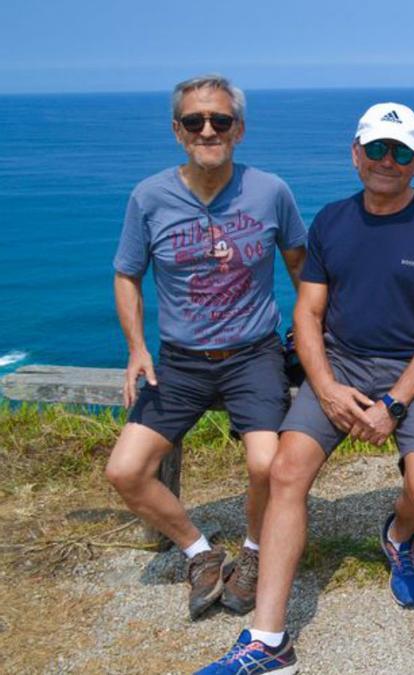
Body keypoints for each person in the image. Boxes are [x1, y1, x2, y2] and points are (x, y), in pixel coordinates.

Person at [199, 102, 414, 673]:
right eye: (376, 148)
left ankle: (397, 534)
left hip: (412, 370)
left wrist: (393, 404)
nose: (386, 161)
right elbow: (307, 314)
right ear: (355, 153)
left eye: (400, 151)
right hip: (339, 364)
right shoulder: (331, 221)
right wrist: (324, 388)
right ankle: (268, 640)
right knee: (284, 472)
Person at [106, 74, 306, 621]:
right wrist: (135, 347)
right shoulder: (149, 197)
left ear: (239, 129)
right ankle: (199, 550)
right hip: (179, 361)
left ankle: (254, 553)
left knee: (267, 465)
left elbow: (301, 267)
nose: (208, 130)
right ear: (178, 131)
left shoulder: (271, 191)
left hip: (253, 355)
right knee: (125, 471)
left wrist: (313, 336)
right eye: (195, 121)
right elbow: (127, 275)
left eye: (220, 120)